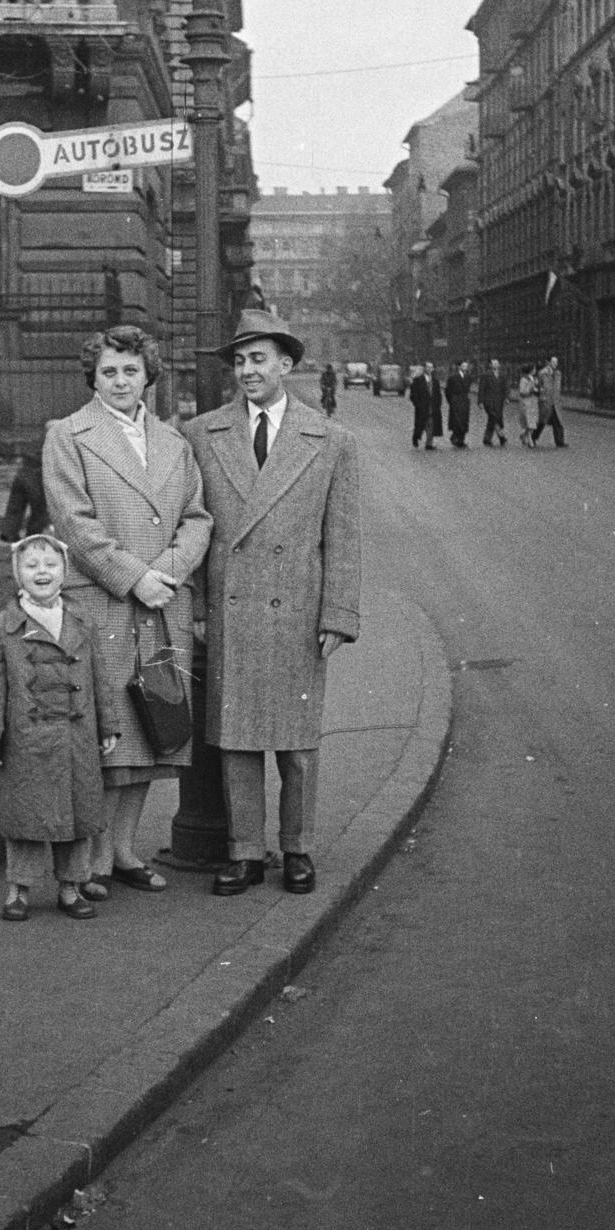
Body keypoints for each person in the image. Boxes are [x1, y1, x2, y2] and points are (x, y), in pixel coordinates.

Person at [185, 309, 361, 897]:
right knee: (236, 740)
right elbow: (195, 527)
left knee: (296, 744)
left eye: (258, 359)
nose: (246, 370)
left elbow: (341, 536)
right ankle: (244, 852)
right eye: (238, 361)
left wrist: (338, 613)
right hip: (231, 608)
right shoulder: (203, 433)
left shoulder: (331, 440)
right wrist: (200, 608)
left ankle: (298, 848)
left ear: (286, 364)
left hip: (298, 608)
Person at [42, 325, 212, 896]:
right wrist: (136, 577)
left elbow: (198, 518)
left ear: (148, 376)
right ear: (92, 376)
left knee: (153, 732)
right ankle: (88, 860)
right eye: (109, 371)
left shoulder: (173, 441)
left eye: (130, 371)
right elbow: (73, 524)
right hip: (105, 603)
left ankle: (122, 851)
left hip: (163, 601)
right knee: (106, 737)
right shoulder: (68, 436)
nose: (120, 381)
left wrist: (169, 571)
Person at [0, 533, 120, 923]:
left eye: (51, 565)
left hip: (76, 737)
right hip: (26, 738)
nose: (42, 573)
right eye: (31, 566)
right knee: (25, 813)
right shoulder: (0, 628)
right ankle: (18, 888)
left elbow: (99, 678)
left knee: (75, 812)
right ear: (17, 574)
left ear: (65, 572)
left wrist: (108, 725)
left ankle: (70, 886)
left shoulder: (82, 622)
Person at [0, 450, 49, 543]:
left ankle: (9, 531)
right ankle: (33, 536)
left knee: (16, 504)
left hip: (25, 471)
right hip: (38, 473)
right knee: (40, 508)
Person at [532, 354, 567, 447]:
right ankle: (533, 437)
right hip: (546, 401)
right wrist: (540, 393)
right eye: (553, 362)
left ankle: (560, 441)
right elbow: (536, 386)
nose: (555, 364)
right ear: (548, 362)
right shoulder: (542, 373)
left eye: (556, 362)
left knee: (558, 422)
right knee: (542, 422)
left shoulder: (558, 374)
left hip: (555, 402)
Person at [409, 361, 442, 450]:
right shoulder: (418, 380)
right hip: (422, 407)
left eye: (431, 367)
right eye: (428, 367)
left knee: (431, 424)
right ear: (424, 368)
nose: (429, 369)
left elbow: (438, 394)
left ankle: (429, 443)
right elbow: (413, 395)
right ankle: (415, 437)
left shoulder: (435, 381)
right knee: (420, 425)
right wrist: (417, 404)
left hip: (432, 407)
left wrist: (438, 404)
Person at [478, 358, 509, 447]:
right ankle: (501, 437)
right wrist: (480, 401)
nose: (495, 365)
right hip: (489, 401)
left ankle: (487, 439)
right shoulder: (485, 375)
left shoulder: (503, 375)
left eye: (497, 363)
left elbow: (506, 387)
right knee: (493, 417)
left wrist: (506, 397)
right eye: (493, 363)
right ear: (490, 365)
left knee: (493, 419)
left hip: (499, 401)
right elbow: (481, 388)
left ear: (499, 365)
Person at [444, 360, 471, 448]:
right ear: (459, 367)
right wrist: (451, 401)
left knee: (464, 421)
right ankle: (455, 437)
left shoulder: (468, 377)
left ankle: (461, 440)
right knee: (457, 421)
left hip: (464, 401)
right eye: (463, 366)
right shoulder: (452, 378)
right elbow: (447, 391)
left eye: (466, 366)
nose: (465, 368)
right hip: (456, 401)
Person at [518, 362, 539, 447]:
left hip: (533, 402)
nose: (535, 370)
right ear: (530, 370)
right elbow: (522, 391)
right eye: (534, 369)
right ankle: (530, 441)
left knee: (534, 422)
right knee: (530, 422)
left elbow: (536, 389)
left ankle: (524, 436)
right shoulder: (524, 379)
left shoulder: (533, 379)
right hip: (526, 403)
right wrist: (531, 388)